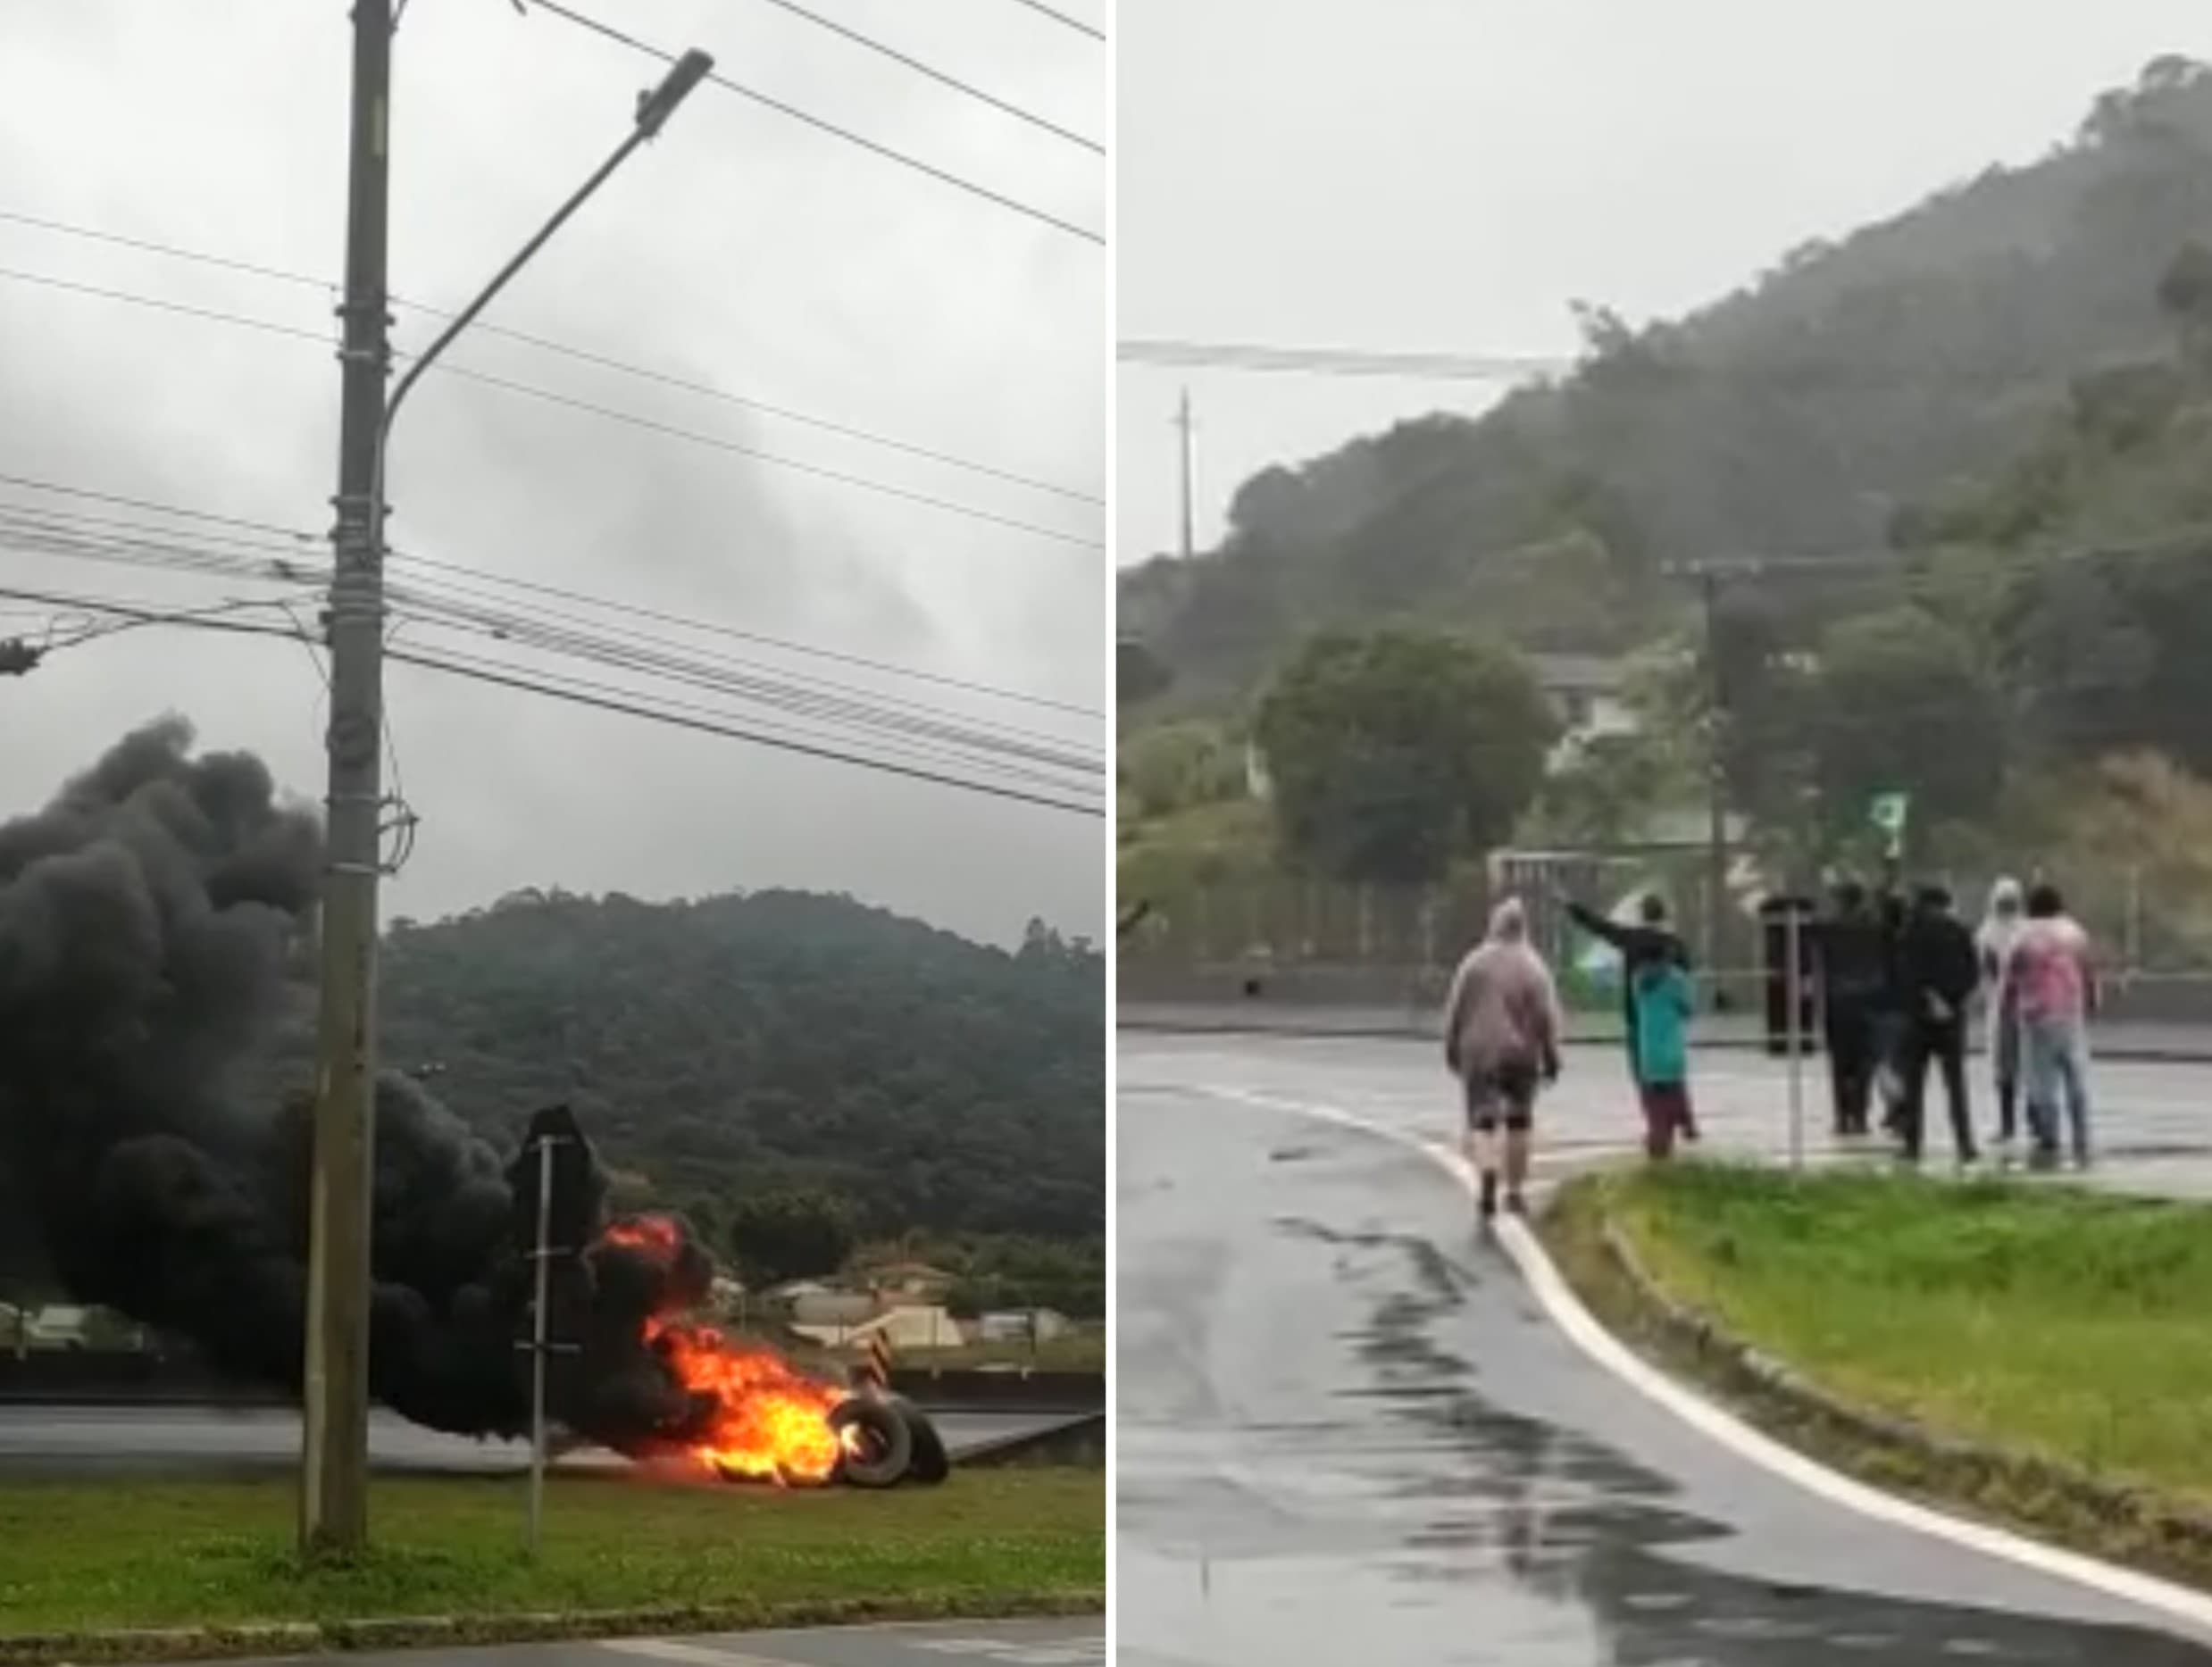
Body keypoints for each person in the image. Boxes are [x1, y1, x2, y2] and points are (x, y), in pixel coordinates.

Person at [1442, 897, 1564, 1220]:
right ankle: (1515, 1192)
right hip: (1522, 1054)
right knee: (1519, 1120)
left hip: (1479, 1052)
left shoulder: (1473, 963)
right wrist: (1552, 1056)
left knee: (1482, 1119)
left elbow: (1455, 1010)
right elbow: (1546, 1017)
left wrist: (1451, 1048)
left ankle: (1487, 1170)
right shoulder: (1535, 967)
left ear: (1494, 925)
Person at [1564, 891, 1689, 1102]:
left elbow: (1600, 926)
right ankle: (1676, 1111)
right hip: (1668, 1021)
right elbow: (1685, 984)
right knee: (1671, 1074)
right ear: (1665, 915)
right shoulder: (1676, 946)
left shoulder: (1632, 939)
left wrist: (1572, 907)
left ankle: (1653, 1113)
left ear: (1642, 915)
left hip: (1637, 1016)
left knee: (1643, 1074)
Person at [2008, 882, 2096, 1169]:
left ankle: (2049, 1135)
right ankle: (2081, 1132)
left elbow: (2011, 975)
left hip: (2035, 1015)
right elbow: (2088, 970)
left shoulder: (2022, 935)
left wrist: (2009, 1005)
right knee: (2076, 1073)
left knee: (2042, 1079)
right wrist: (2091, 999)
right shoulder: (2074, 933)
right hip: (2070, 1011)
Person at [1895, 885, 1980, 1164]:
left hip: (1918, 1017)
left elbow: (1904, 974)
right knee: (1955, 1083)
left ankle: (1912, 1144)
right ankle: (1964, 1143)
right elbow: (1972, 973)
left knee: (1914, 1083)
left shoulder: (1909, 933)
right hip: (1952, 1018)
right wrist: (1952, 1001)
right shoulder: (1960, 932)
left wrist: (1925, 998)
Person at [1807, 879, 1886, 1137]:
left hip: (1837, 1000)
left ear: (1840, 901)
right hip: (1870, 1000)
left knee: (1839, 1063)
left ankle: (1842, 1117)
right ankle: (1860, 1116)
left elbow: (1807, 934)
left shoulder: (1830, 926)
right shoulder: (1874, 927)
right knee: (1865, 1063)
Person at [1630, 949, 1699, 1159]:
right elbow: (1688, 1009)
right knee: (1676, 1091)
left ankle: (1659, 1144)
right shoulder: (1675, 978)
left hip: (1649, 1052)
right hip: (1672, 1050)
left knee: (1655, 1107)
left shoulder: (1639, 979)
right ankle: (1686, 1123)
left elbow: (1637, 1005)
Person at [1975, 878, 2026, 1146]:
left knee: (2005, 1067)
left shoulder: (1988, 932)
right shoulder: (2025, 929)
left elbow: (1986, 968)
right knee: (2017, 1067)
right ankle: (2018, 1123)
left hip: (2004, 1004)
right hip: (2023, 1004)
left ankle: (2009, 1126)